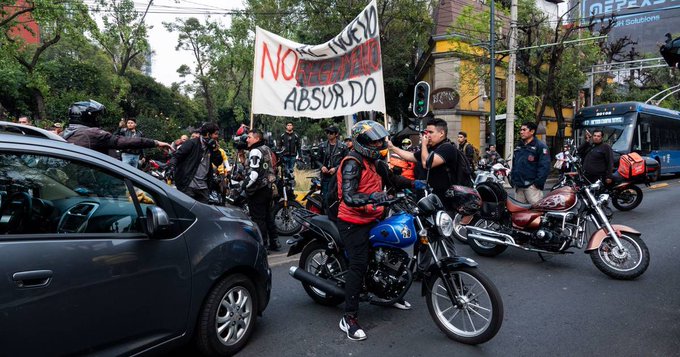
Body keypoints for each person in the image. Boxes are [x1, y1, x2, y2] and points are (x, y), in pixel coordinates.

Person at [337, 120, 424, 341]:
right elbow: (348, 196)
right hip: (352, 221)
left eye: (379, 140)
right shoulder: (352, 163)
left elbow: (393, 179)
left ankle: (389, 293)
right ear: (363, 142)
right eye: (374, 141)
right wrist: (372, 197)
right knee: (359, 264)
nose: (379, 144)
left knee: (391, 254)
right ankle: (349, 317)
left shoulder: (376, 162)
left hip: (374, 216)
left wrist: (416, 184)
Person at [62, 100, 171, 156]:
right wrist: (156, 142)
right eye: (96, 116)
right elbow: (125, 141)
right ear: (87, 117)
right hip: (96, 186)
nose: (98, 119)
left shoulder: (65, 134)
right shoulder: (93, 134)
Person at [388, 118, 461, 202]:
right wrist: (392, 147)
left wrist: (423, 144)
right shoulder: (430, 148)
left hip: (443, 200)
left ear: (441, 133)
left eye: (431, 132)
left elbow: (427, 164)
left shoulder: (447, 148)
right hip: (427, 196)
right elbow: (411, 156)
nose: (427, 135)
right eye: (427, 132)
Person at [243, 129, 280, 252]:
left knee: (259, 218)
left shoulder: (255, 151)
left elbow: (253, 173)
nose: (247, 139)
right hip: (268, 188)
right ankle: (275, 242)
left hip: (258, 190)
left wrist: (244, 186)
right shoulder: (266, 148)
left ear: (256, 139)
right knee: (268, 216)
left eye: (249, 137)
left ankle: (263, 245)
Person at [168, 122, 223, 203]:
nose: (217, 136)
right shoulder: (192, 143)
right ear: (208, 134)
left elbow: (218, 162)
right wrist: (171, 167)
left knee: (202, 213)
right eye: (215, 134)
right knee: (188, 212)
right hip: (188, 186)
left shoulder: (212, 147)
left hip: (203, 188)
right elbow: (176, 156)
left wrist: (215, 150)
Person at [510, 122, 551, 205]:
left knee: (536, 212)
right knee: (519, 214)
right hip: (519, 186)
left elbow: (544, 167)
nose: (521, 132)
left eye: (524, 130)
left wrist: (537, 184)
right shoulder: (519, 145)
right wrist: (513, 179)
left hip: (532, 188)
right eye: (521, 130)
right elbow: (515, 163)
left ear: (532, 132)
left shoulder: (540, 146)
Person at [318, 125, 347, 205]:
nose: (329, 134)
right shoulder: (322, 146)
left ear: (336, 134)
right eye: (327, 132)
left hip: (337, 176)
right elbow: (317, 160)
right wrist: (322, 167)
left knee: (336, 196)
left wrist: (336, 168)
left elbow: (346, 161)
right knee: (325, 197)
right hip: (325, 176)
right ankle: (325, 213)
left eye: (331, 133)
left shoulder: (343, 147)